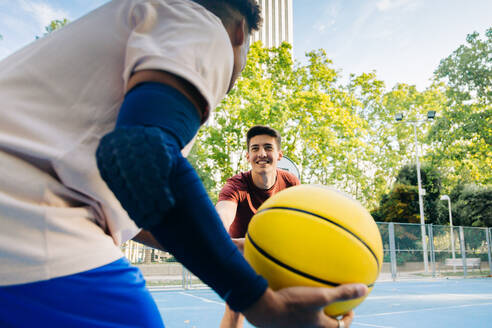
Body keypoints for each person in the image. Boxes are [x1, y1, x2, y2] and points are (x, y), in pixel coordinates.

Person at [0, 0, 367, 327]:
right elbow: (139, 155)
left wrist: (227, 248)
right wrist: (260, 302)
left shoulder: (131, 22)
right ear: (240, 33)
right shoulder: (202, 22)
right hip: (26, 222)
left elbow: (135, 190)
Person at [217, 125, 300, 328]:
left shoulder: (290, 183)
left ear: (279, 155)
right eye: (255, 149)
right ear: (248, 156)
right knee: (235, 309)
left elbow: (300, 224)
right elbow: (221, 218)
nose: (261, 154)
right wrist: (222, 237)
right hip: (242, 255)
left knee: (292, 309)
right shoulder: (236, 185)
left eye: (268, 148)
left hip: (277, 256)